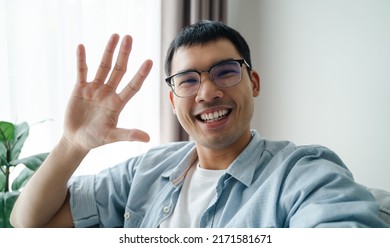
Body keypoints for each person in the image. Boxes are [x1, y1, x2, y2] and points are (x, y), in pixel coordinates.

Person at [11, 20, 388, 228]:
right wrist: (72, 144)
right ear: (173, 101)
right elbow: (26, 223)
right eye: (188, 80)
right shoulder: (146, 171)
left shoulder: (302, 174)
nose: (207, 93)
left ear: (253, 83)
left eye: (225, 72)